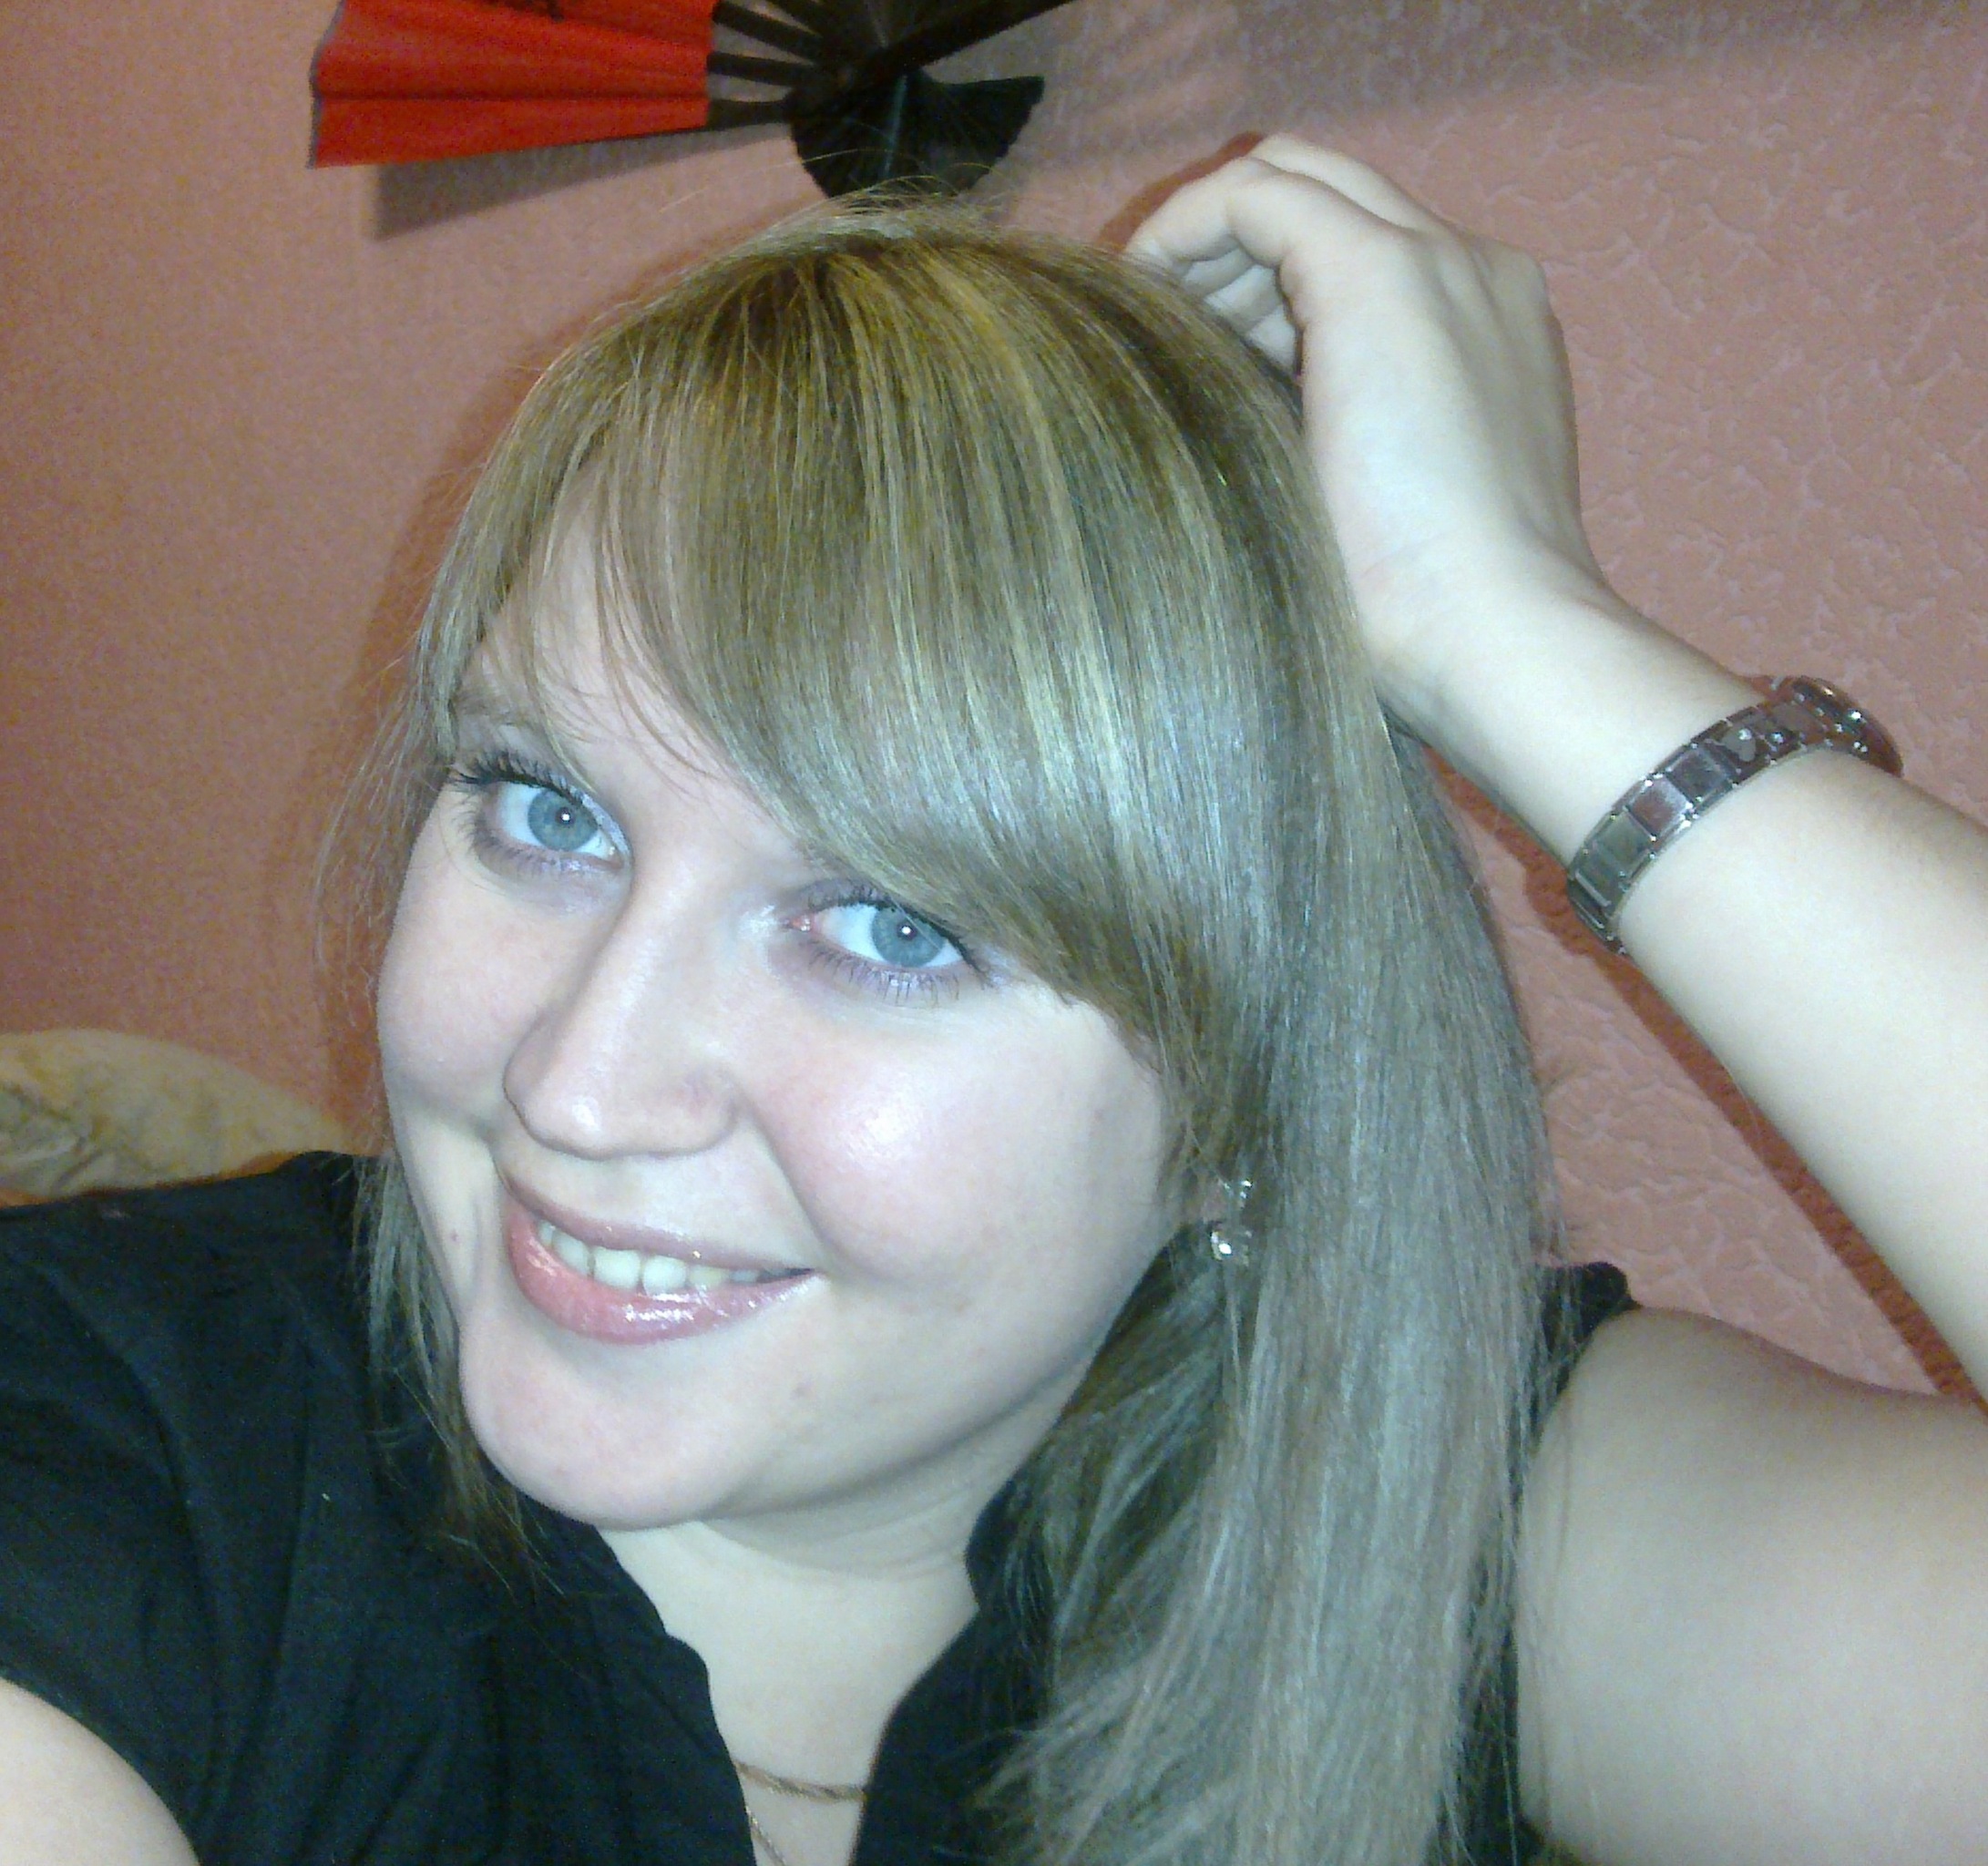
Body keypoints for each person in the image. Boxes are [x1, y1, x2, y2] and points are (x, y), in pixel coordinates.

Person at [1, 138, 1983, 1866]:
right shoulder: (112, 1427)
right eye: (547, 810)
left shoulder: (1444, 1516)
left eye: (892, 928)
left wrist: (1514, 626)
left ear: (1242, 1092)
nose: (578, 1085)